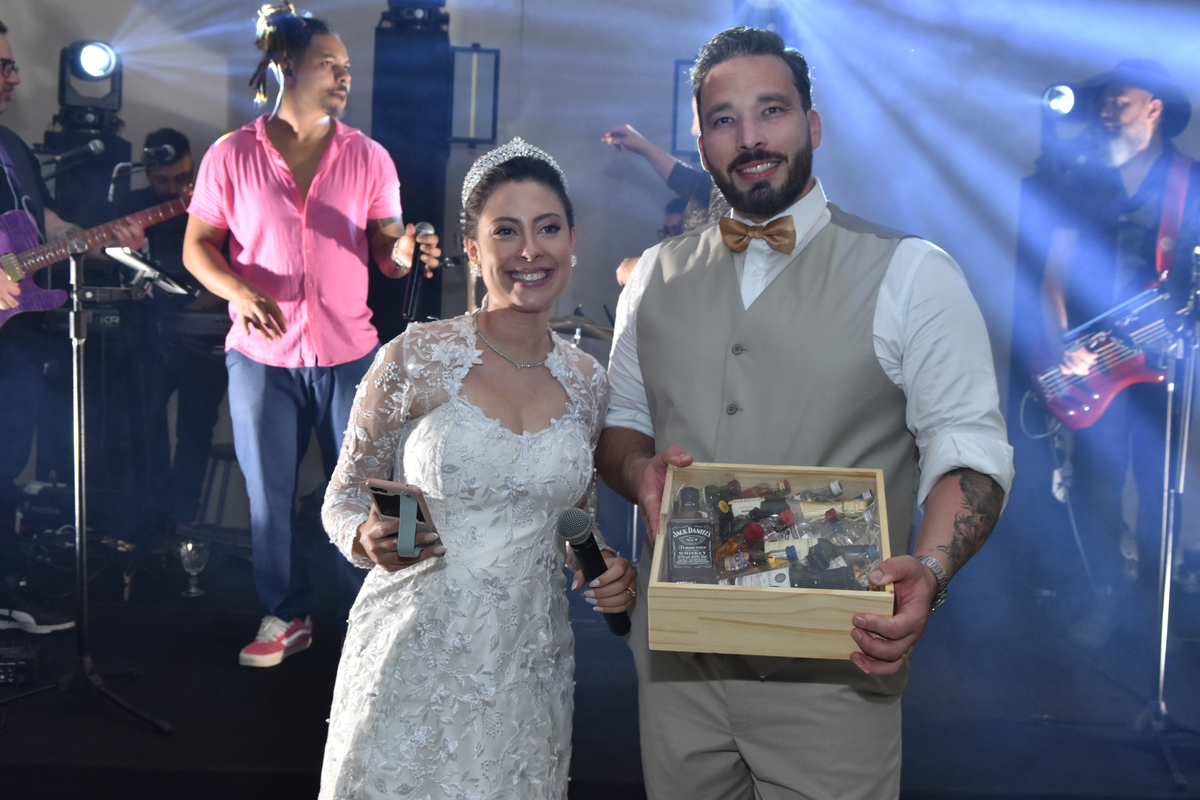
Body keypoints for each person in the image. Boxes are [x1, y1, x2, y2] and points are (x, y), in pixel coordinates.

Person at [596, 27, 1014, 798]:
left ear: (812, 124)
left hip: (838, 668)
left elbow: (971, 452)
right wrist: (637, 469)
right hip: (677, 670)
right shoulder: (651, 276)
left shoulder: (913, 273)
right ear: (700, 142)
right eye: (724, 119)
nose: (750, 137)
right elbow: (621, 425)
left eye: (772, 110)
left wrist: (929, 568)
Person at [318, 139, 636, 799]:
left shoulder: (587, 382)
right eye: (506, 231)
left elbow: (571, 520)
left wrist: (606, 565)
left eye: (548, 228)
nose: (530, 250)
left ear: (573, 240)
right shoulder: (415, 358)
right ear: (472, 246)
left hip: (527, 669)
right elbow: (342, 497)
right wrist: (365, 537)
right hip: (412, 653)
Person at [182, 6, 440, 667]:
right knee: (267, 498)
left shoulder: (370, 157)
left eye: (347, 67)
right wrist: (239, 291)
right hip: (260, 357)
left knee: (367, 489)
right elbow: (196, 247)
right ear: (286, 67)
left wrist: (405, 253)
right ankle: (287, 613)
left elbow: (387, 251)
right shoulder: (230, 154)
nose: (345, 76)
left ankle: (371, 617)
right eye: (330, 64)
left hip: (349, 354)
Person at [1038, 59, 1199, 646]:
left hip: (1165, 364)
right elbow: (1054, 274)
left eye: (1119, 101)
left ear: (1154, 109)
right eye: (1103, 102)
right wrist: (1062, 345)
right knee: (1095, 489)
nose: (1106, 111)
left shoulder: (1190, 182)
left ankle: (1157, 614)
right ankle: (1104, 601)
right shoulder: (1085, 180)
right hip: (1091, 363)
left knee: (1160, 492)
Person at [0, 19, 144, 633]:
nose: (14, 77)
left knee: (7, 465)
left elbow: (46, 225)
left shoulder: (11, 145)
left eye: (12, 64)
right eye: (3, 66)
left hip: (18, 335)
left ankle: (6, 594)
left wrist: (94, 239)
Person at [114, 128, 228, 539]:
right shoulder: (132, 207)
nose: (174, 189)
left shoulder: (210, 202)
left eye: (182, 178)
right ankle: (148, 520)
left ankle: (183, 522)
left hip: (204, 336)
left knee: (196, 431)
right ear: (148, 174)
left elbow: (233, 269)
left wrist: (199, 304)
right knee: (144, 426)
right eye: (162, 181)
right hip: (150, 334)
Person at [603, 123, 730, 286]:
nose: (693, 130)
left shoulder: (739, 195)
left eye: (695, 115)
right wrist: (643, 146)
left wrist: (648, 264)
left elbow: (718, 254)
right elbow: (697, 185)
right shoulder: (718, 185)